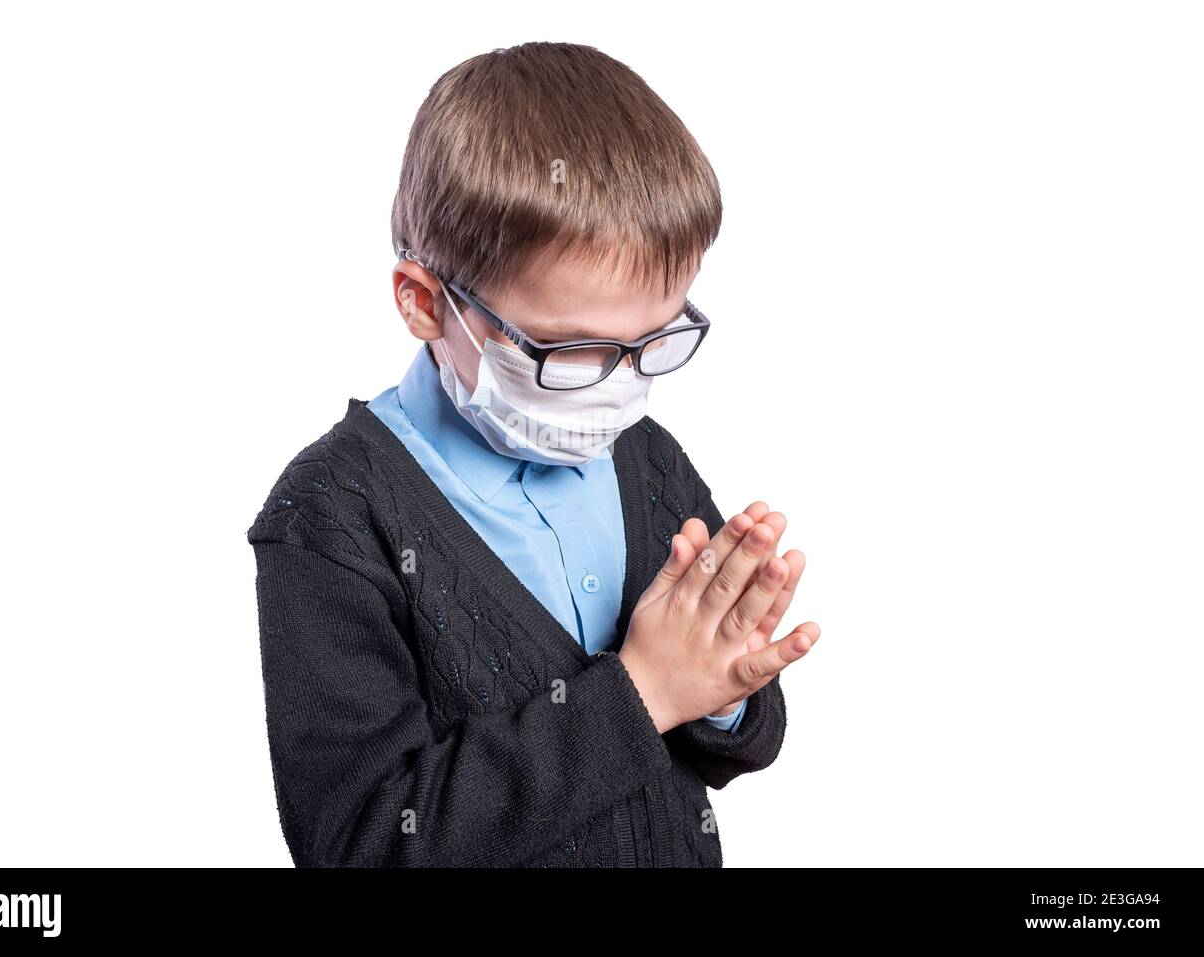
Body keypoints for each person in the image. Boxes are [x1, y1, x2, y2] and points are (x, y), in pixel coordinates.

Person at [247, 41, 820, 867]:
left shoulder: (647, 458)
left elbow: (729, 745)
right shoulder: (333, 518)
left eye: (651, 342)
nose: (618, 389)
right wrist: (640, 691)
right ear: (423, 301)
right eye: (568, 352)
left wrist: (725, 686)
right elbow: (362, 842)